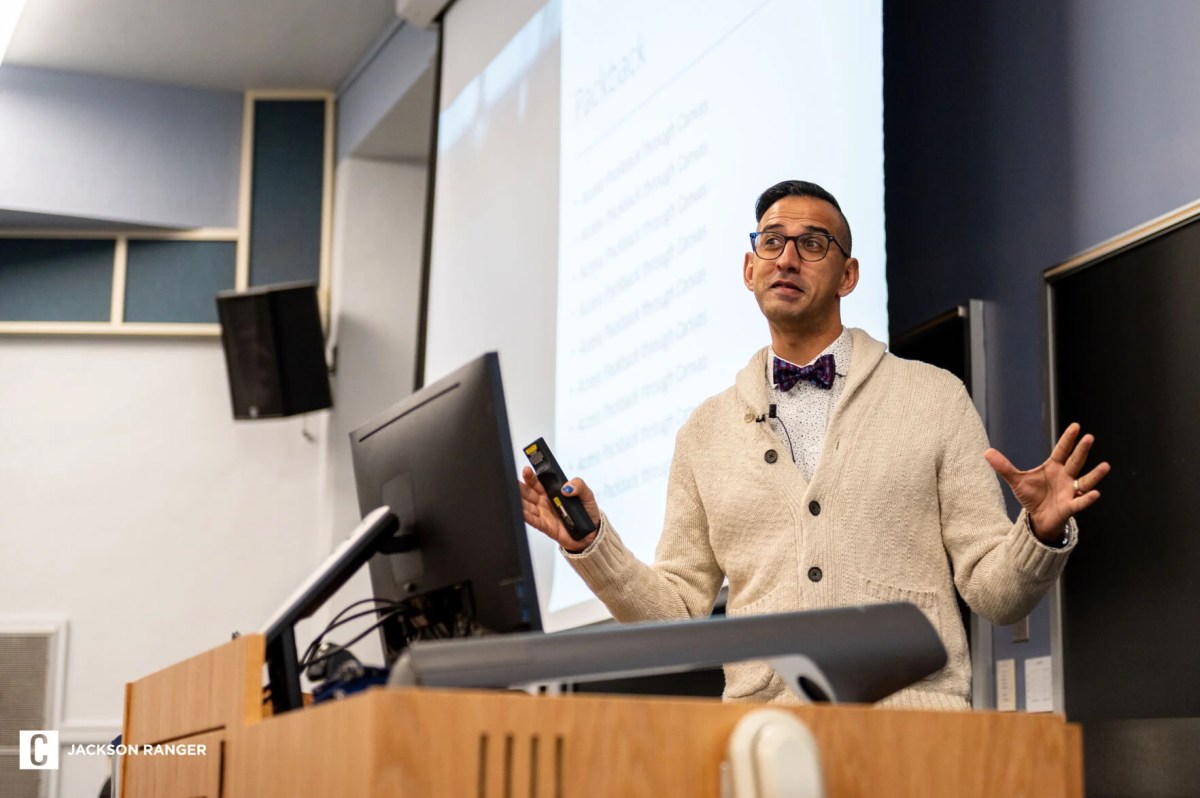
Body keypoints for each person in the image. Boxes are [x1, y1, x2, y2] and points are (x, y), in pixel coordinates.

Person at [520, 180, 1110, 710]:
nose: (788, 259)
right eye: (772, 242)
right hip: (764, 743)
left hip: (914, 738)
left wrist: (1039, 532)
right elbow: (676, 611)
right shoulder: (704, 432)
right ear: (749, 269)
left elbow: (994, 593)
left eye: (813, 244)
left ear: (847, 275)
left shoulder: (934, 397)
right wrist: (593, 544)